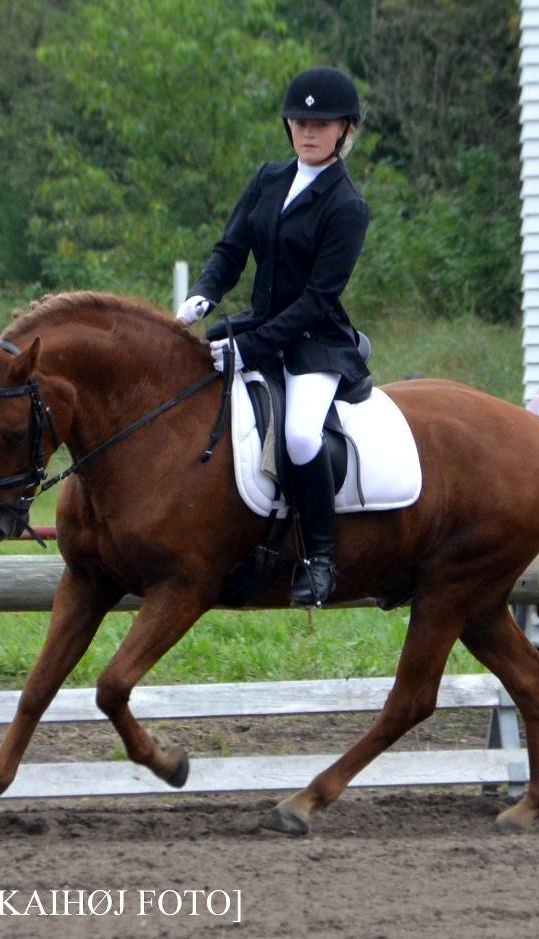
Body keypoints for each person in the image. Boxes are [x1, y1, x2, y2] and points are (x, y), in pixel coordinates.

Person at [176, 66, 370, 608]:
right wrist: (202, 296)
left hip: (315, 341)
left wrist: (249, 350)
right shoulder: (268, 179)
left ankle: (321, 557)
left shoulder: (347, 206)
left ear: (343, 131)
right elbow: (230, 250)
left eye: (321, 123)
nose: (308, 131)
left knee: (302, 436)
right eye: (299, 121)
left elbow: (317, 299)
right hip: (258, 324)